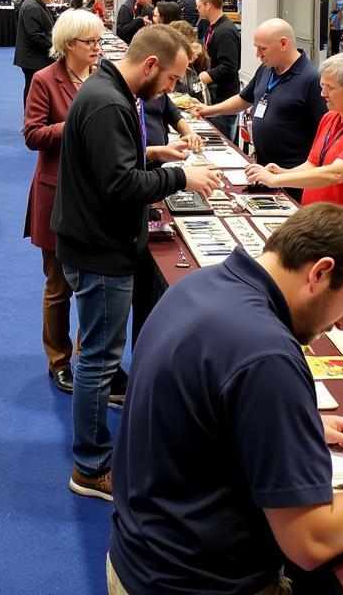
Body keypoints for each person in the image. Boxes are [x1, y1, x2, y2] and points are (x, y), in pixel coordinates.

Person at [109, 204, 343, 594]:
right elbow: (311, 542)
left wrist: (292, 423)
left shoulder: (197, 285)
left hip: (139, 559)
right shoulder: (267, 355)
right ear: (321, 272)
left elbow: (202, 411)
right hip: (198, 583)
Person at [52, 26, 222, 500]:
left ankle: (94, 453)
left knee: (99, 357)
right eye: (170, 79)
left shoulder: (108, 90)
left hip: (95, 241)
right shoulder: (108, 101)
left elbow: (108, 160)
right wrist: (179, 175)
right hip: (99, 249)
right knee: (100, 362)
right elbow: (119, 185)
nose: (171, 91)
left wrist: (151, 153)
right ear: (150, 66)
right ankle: (90, 465)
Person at [245, 53, 343, 258]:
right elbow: (313, 164)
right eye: (322, 86)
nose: (323, 93)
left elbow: (336, 174)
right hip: (323, 235)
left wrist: (276, 180)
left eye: (330, 88)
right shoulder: (331, 118)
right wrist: (284, 172)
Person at [23, 10, 102, 395]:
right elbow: (33, 134)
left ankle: (90, 355)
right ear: (70, 44)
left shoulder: (105, 77)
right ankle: (58, 359)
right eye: (91, 43)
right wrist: (78, 123)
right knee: (58, 285)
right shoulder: (44, 80)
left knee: (94, 282)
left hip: (98, 196)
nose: (97, 49)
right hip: (56, 195)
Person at [195, 19, 327, 201]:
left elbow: (326, 130)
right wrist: (209, 110)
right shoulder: (267, 69)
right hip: (263, 168)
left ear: (283, 44)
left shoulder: (311, 79)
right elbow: (244, 99)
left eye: (262, 49)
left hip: (292, 175)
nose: (257, 54)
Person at [196, 0, 241, 139]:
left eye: (199, 6)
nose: (198, 9)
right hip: (217, 94)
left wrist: (206, 76)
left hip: (225, 97)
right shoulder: (212, 27)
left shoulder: (225, 31)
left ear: (208, 6)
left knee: (223, 138)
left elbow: (229, 66)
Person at [13, 0, 55, 108]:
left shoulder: (36, 4)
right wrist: (55, 48)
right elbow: (35, 35)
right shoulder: (32, 6)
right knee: (33, 90)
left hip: (35, 57)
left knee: (34, 89)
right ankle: (30, 120)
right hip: (33, 58)